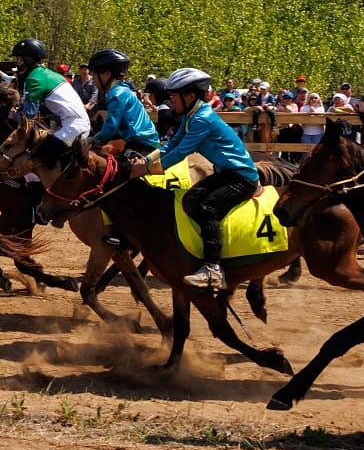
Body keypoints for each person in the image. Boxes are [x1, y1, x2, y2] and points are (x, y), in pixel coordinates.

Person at [129, 68, 260, 291]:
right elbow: (171, 144)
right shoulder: (192, 116)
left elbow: (181, 152)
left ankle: (213, 270)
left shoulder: (203, 119)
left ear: (190, 96)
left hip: (241, 178)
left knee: (207, 207)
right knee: (190, 200)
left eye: (174, 95)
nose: (171, 100)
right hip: (226, 174)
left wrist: (147, 169)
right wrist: (145, 159)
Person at [0, 38, 90, 162]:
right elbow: (44, 108)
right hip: (74, 124)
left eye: (18, 59)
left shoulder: (34, 78)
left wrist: (12, 115)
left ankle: (34, 183)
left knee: (31, 159)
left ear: (27, 59)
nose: (17, 62)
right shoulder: (48, 74)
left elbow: (28, 116)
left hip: (72, 128)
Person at [86, 49, 159, 156]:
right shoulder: (122, 89)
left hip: (142, 144)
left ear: (107, 74)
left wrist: (90, 141)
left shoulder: (116, 94)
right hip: (137, 141)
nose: (93, 79)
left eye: (95, 75)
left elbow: (110, 128)